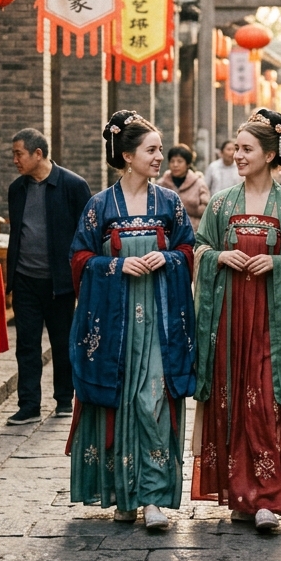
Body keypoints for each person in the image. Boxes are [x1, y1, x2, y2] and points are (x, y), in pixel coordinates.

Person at [68, 111, 197, 530]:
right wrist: (115, 268)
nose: (160, 157)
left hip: (159, 323)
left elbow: (190, 249)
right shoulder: (99, 206)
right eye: (152, 150)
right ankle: (124, 492)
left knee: (154, 402)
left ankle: (154, 498)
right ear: (127, 156)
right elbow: (80, 259)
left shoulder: (170, 203)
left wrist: (171, 257)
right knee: (120, 401)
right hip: (116, 327)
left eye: (161, 150)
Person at [191, 109, 281, 533]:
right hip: (228, 319)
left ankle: (268, 498)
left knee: (266, 402)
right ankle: (241, 497)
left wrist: (279, 263)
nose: (237, 155)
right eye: (236, 148)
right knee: (230, 402)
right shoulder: (222, 203)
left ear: (268, 154)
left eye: (246, 149)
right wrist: (219, 256)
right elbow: (200, 248)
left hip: (271, 322)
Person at [5, 128, 92, 426]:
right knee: (26, 344)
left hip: (60, 281)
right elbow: (17, 233)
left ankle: (65, 400)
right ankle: (28, 404)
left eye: (19, 154)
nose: (15, 160)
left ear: (38, 154)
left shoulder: (73, 186)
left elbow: (87, 235)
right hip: (25, 278)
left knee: (62, 342)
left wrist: (81, 278)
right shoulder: (17, 189)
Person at [156, 143, 211, 231]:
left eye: (179, 161)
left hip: (193, 233)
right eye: (172, 161)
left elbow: (207, 210)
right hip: (167, 233)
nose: (175, 165)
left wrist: (186, 207)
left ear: (188, 164)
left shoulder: (199, 184)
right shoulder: (161, 184)